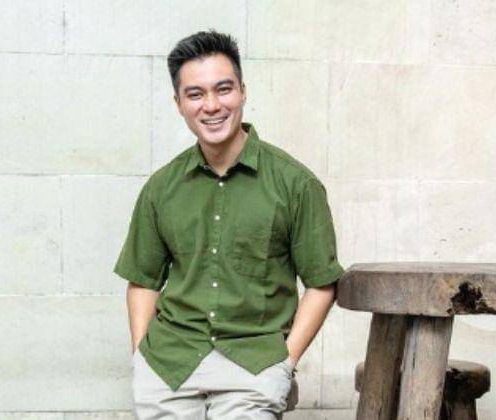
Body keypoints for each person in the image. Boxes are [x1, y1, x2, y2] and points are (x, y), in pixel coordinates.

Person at [114, 29, 345, 419]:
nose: (212, 105)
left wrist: (285, 364)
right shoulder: (161, 188)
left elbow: (322, 283)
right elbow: (143, 281)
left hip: (253, 367)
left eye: (223, 89)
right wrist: (141, 357)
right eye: (195, 94)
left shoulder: (295, 184)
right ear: (178, 104)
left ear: (242, 92)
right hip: (169, 366)